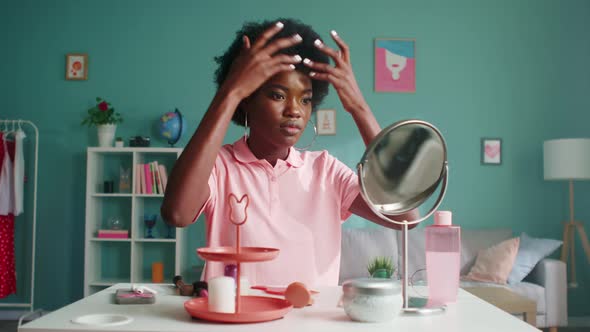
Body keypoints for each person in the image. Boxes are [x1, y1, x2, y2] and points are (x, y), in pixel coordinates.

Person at [161, 18, 416, 287]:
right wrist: (229, 92)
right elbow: (177, 214)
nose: (294, 110)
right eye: (278, 96)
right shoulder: (219, 166)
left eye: (305, 99)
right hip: (234, 324)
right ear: (246, 98)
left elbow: (407, 218)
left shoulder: (326, 171)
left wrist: (359, 108)